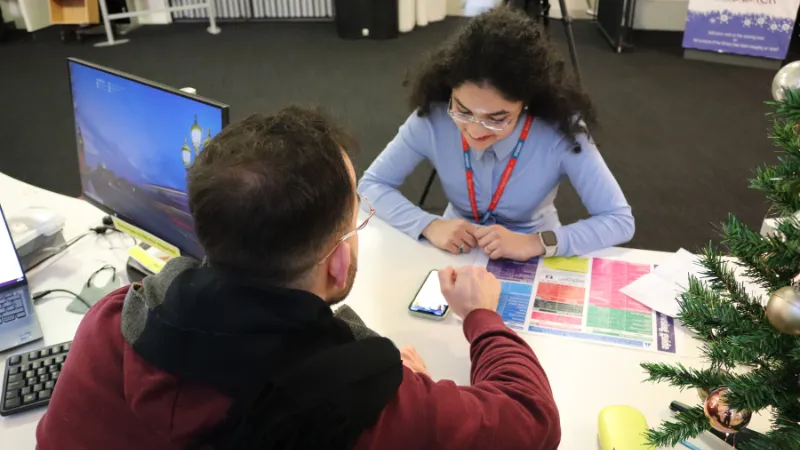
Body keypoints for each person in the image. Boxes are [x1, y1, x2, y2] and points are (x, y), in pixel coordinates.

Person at [36, 107, 561, 450]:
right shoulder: (362, 407)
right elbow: (533, 420)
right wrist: (483, 320)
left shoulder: (113, 323)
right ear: (336, 263)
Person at [358, 6, 635, 261]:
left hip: (533, 249)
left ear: (526, 104)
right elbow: (370, 186)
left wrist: (536, 243)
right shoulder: (433, 119)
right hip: (456, 246)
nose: (476, 131)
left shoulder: (559, 131)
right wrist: (429, 224)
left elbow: (619, 219)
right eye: (463, 111)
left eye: (497, 118)